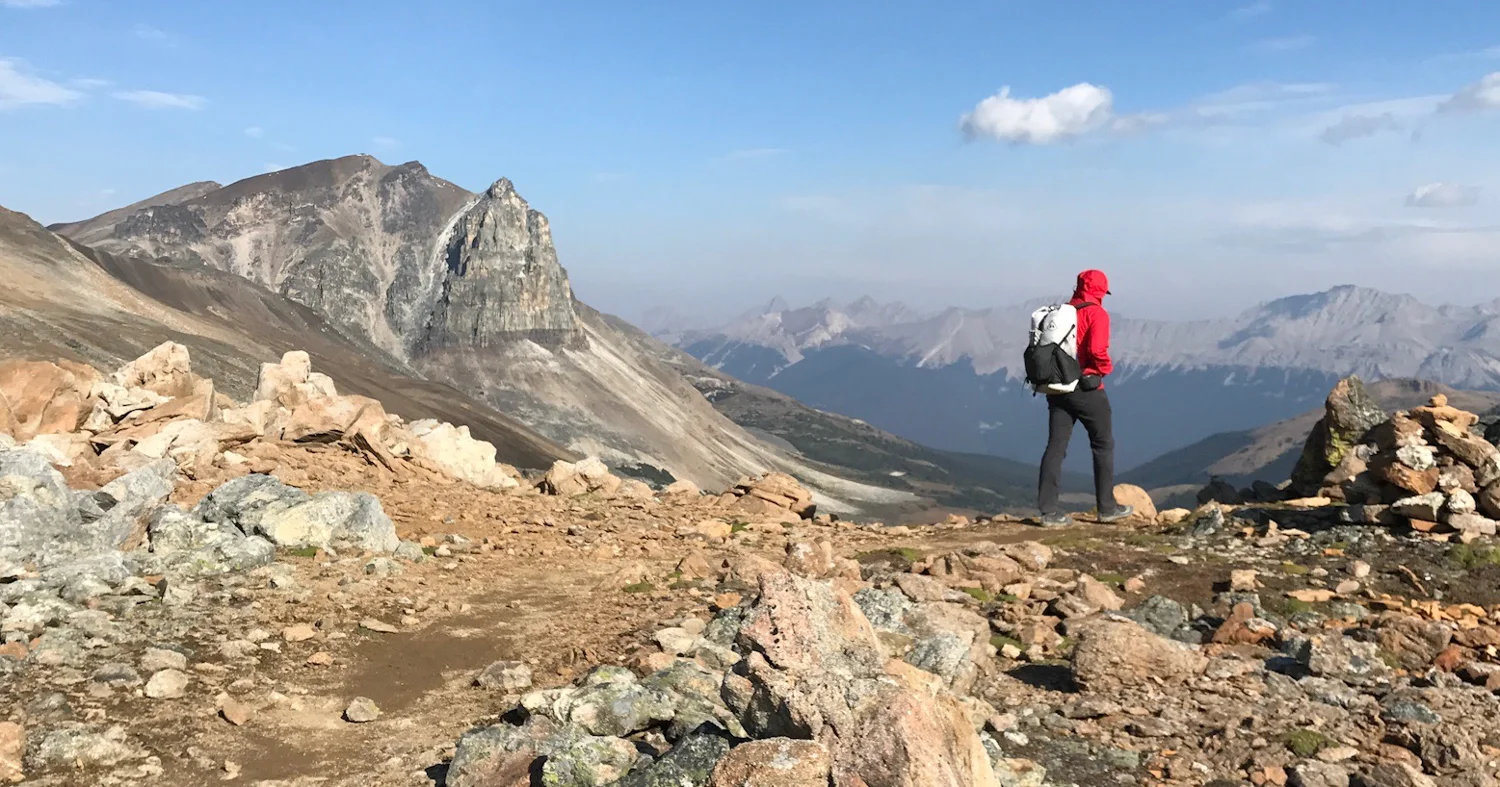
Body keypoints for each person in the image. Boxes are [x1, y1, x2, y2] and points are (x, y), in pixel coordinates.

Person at [1037, 269, 1133, 527]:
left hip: (1057, 387)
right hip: (1087, 388)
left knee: (1056, 446)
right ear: (1101, 290)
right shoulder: (1097, 313)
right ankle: (1107, 508)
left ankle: (1048, 511)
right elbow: (1096, 349)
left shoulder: (1062, 312)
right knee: (1103, 444)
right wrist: (1104, 369)